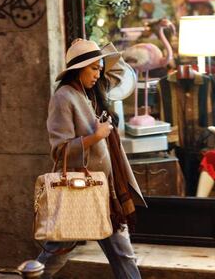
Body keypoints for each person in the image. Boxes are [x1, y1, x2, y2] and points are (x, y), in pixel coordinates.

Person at [37, 38, 146, 279]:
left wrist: (95, 51)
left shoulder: (93, 94)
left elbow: (118, 70)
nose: (99, 74)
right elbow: (59, 150)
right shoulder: (64, 97)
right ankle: (32, 275)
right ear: (78, 69)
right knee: (57, 253)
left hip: (106, 190)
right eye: (93, 68)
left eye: (100, 68)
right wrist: (96, 136)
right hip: (81, 189)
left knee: (122, 253)